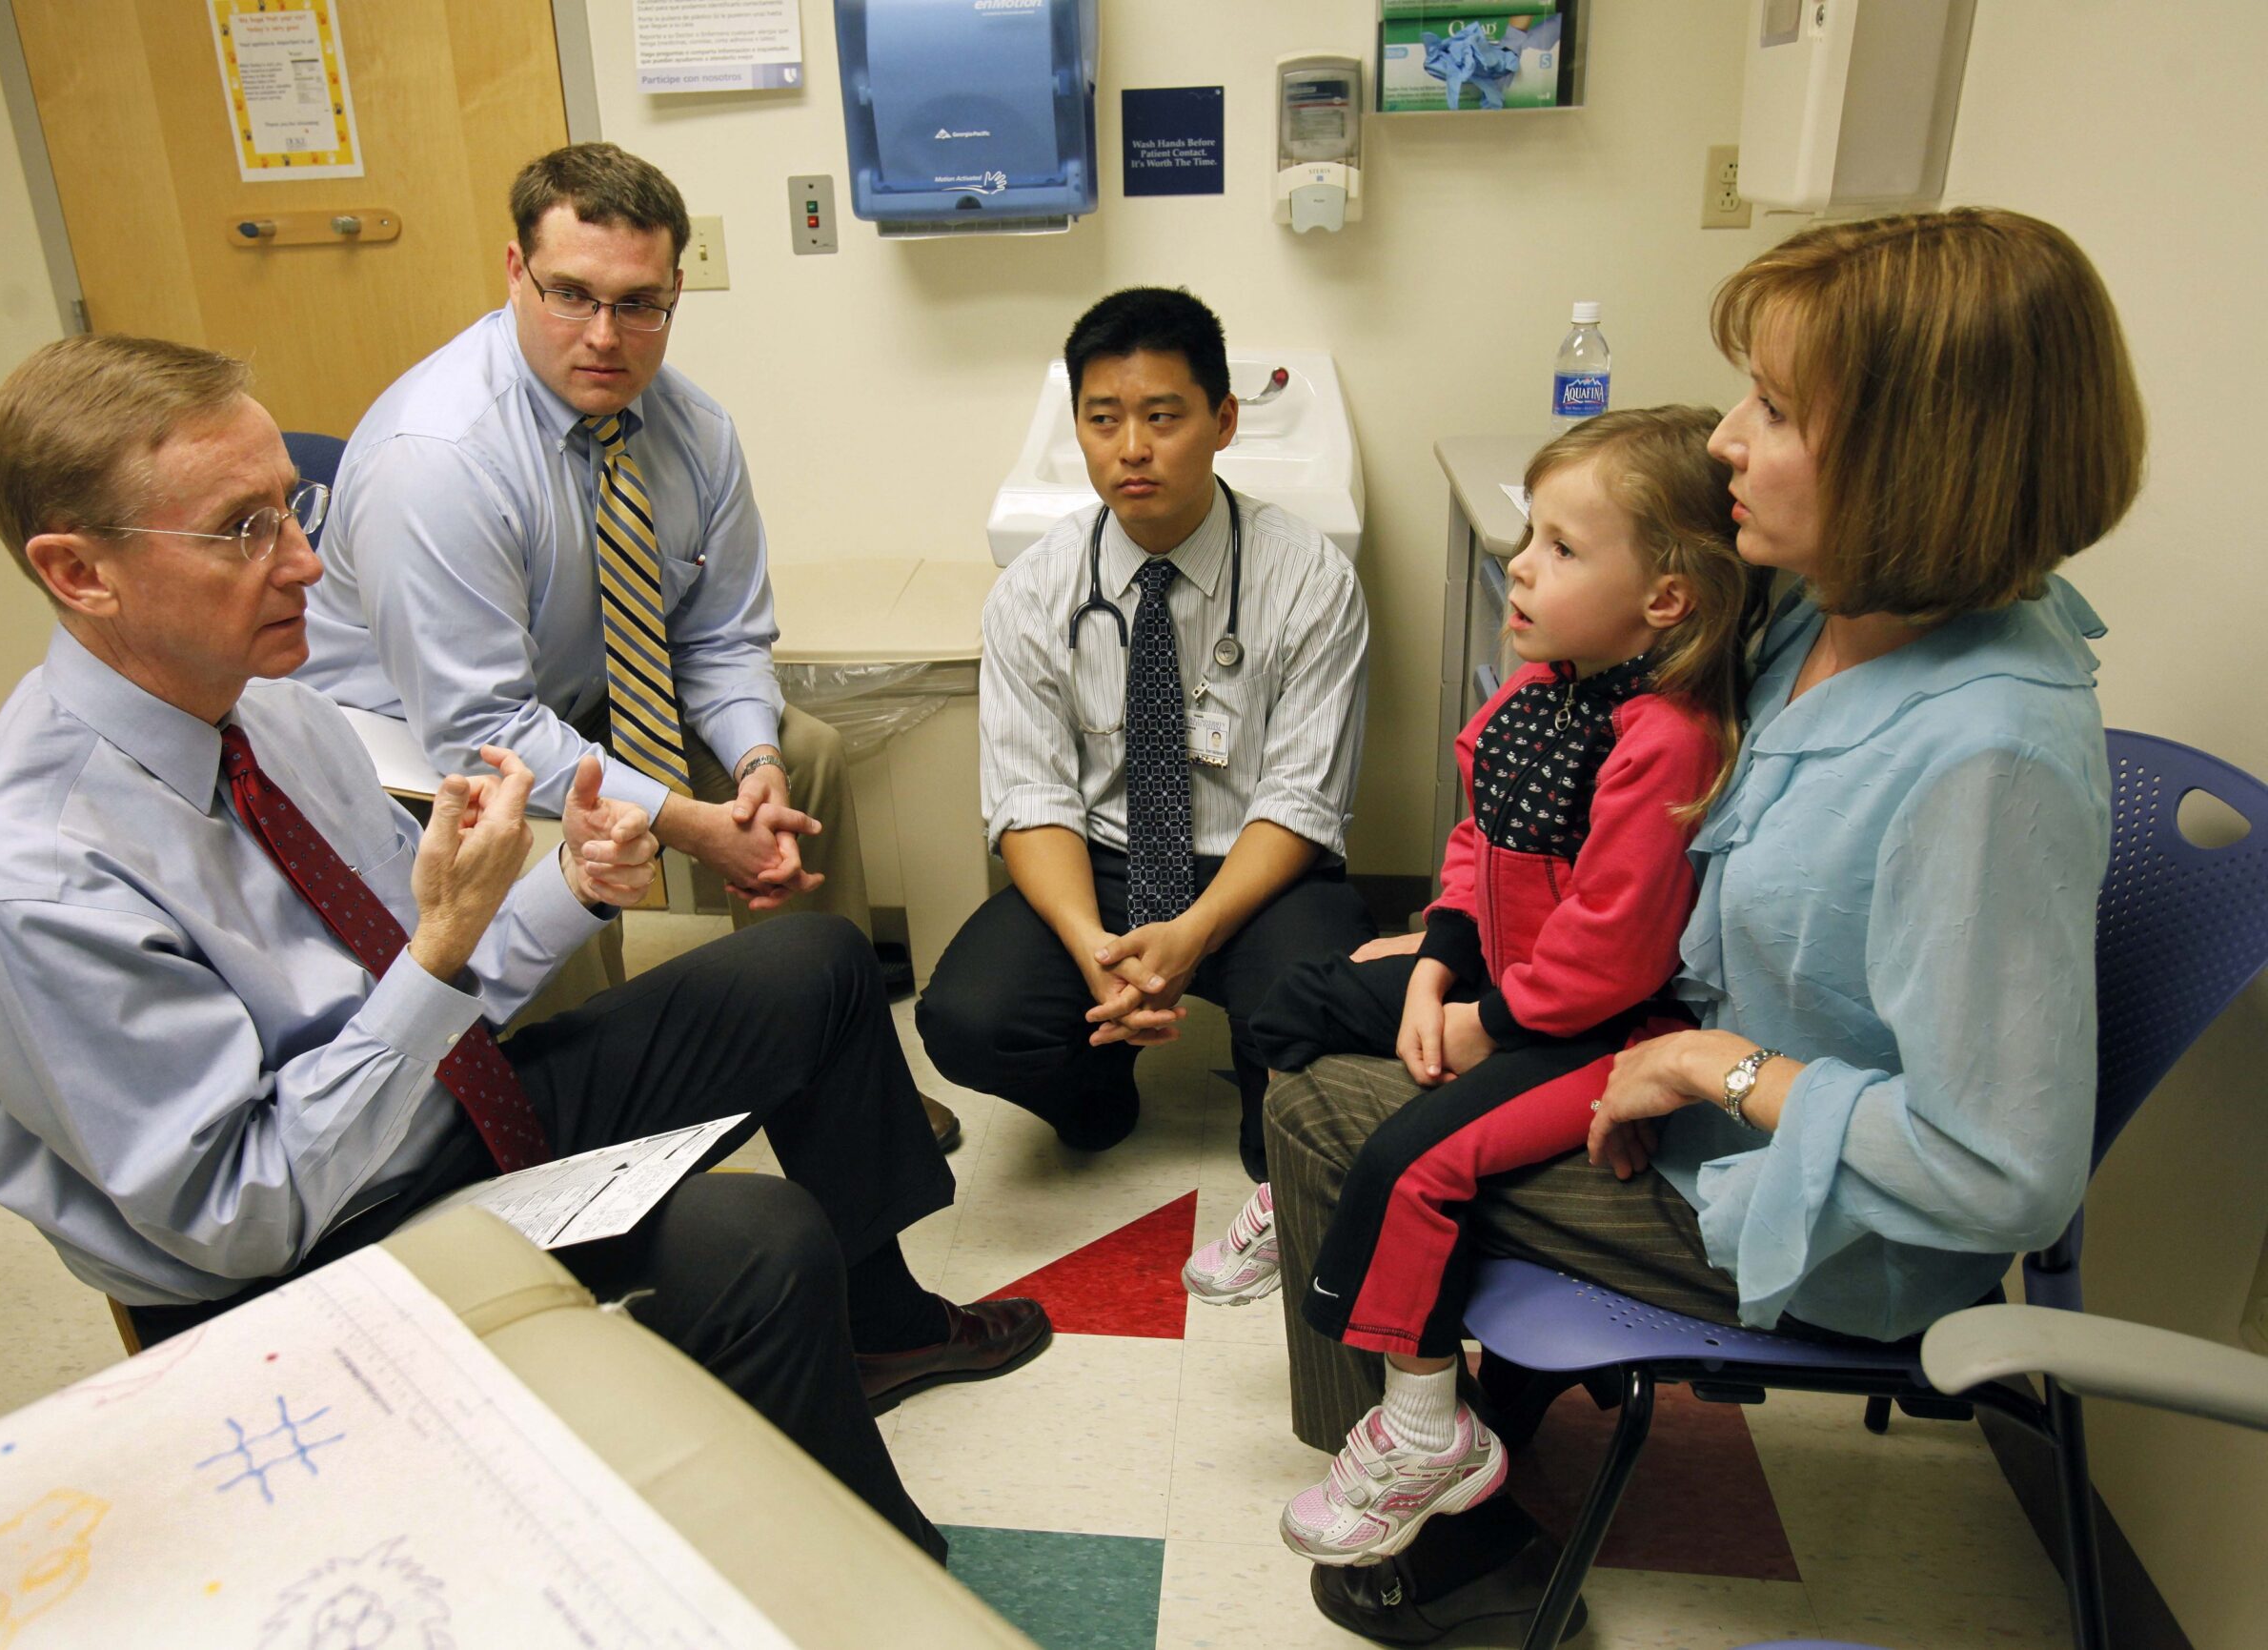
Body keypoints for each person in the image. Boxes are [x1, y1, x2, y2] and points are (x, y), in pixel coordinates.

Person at [0, 335, 1050, 1562]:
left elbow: (423, 978)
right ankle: (864, 1581)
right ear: (79, 572)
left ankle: (883, 1330)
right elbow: (241, 1216)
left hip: (423, 1122)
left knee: (806, 969)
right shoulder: (21, 880)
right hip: (289, 1270)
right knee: (754, 1243)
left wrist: (568, 888)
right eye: (241, 530)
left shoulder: (273, 714)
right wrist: (438, 954)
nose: (305, 562)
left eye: (294, 505)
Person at [1266, 207, 2145, 1642]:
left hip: (1808, 1210)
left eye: (1778, 408)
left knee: (1321, 1111)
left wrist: (1703, 1069)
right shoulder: (1819, 616)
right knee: (1375, 1054)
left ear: (1921, 456)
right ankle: (1453, 1402)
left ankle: (1440, 1513)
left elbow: (2001, 1175)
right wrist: (1452, 936)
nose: (1728, 439)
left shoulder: (1989, 752)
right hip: (1663, 1066)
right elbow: (1555, 768)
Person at [294, 142, 960, 1151]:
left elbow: (721, 634)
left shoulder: (692, 427)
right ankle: (587, 1137)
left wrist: (755, 766)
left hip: (585, 694)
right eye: (570, 295)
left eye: (639, 303)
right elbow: (481, 728)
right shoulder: (435, 459)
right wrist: (692, 824)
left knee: (810, 755)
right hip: (423, 753)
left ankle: (836, 1067)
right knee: (545, 845)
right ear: (514, 273)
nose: (604, 337)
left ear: (676, 290)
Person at [1181, 407, 1754, 1564]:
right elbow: (1472, 843)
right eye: (1526, 537)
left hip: (1586, 1030)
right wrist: (1434, 956)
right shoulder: (1536, 694)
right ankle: (1288, 1220)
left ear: (1668, 600)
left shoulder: (1665, 741)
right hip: (1496, 974)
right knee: (1294, 996)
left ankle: (1428, 1428)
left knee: (1412, 1164)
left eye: (1561, 549)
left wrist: (1482, 1026)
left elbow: (1609, 957)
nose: (1521, 566)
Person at [915, 288, 1374, 1181]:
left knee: (1310, 1042)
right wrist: (1093, 944)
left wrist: (1196, 929)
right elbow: (1032, 795)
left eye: (1163, 416)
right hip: (1105, 864)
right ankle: (1097, 1086)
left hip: (1259, 871)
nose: (1131, 448)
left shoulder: (1310, 578)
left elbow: (1300, 797)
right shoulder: (1034, 590)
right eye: (1103, 419)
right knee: (969, 1018)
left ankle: (1261, 1100)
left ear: (1223, 419)